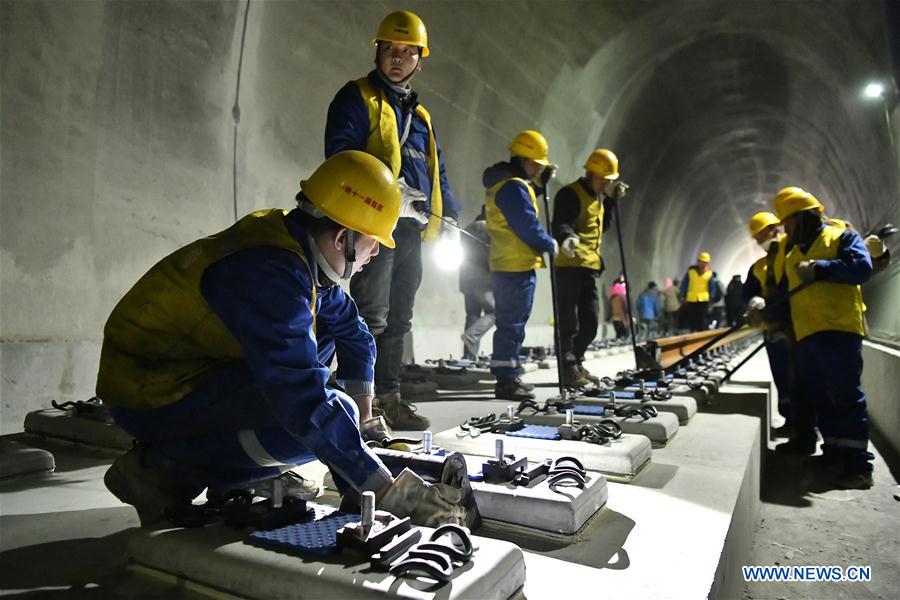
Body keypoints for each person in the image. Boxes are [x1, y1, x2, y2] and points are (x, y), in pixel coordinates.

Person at [98, 151, 467, 526]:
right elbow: (302, 399)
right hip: (149, 390)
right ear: (343, 237)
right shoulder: (272, 272)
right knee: (312, 423)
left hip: (189, 370)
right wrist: (386, 491)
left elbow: (354, 334)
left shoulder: (300, 252)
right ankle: (159, 472)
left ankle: (234, 471)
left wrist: (365, 425)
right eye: (374, 242)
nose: (375, 253)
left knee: (339, 402)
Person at [324, 10, 460, 430]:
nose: (397, 58)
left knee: (399, 318)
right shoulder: (357, 98)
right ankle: (352, 402)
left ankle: (389, 398)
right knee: (370, 316)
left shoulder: (421, 117)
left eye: (407, 51)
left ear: (420, 58)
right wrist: (389, 197)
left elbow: (436, 171)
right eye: (390, 49)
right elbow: (341, 157)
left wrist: (449, 212)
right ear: (378, 52)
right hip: (370, 227)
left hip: (411, 231)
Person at [752, 187, 875, 489]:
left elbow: (861, 267)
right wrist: (764, 311)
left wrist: (822, 269)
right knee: (822, 395)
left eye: (789, 222)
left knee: (845, 395)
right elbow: (783, 295)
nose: (786, 229)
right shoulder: (793, 253)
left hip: (839, 329)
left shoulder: (841, 237)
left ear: (804, 217)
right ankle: (833, 452)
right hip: (807, 334)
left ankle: (858, 465)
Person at [484, 130, 558, 400]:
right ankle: (505, 382)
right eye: (536, 163)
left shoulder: (510, 184)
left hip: (509, 262)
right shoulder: (513, 186)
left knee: (513, 322)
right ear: (523, 159)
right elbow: (525, 223)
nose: (538, 168)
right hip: (514, 264)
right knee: (512, 324)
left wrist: (538, 187)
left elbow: (519, 207)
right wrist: (549, 243)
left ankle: (510, 373)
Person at [551, 149, 626, 387]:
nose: (607, 183)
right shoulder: (570, 194)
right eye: (604, 177)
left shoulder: (597, 198)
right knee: (568, 322)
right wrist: (566, 237)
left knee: (591, 322)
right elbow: (562, 221)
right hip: (569, 265)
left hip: (588, 267)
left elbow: (601, 228)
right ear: (591, 173)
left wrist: (612, 202)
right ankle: (568, 368)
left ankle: (577, 362)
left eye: (609, 179)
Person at [742, 211, 793, 436]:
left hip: (796, 328)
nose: (759, 241)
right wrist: (754, 300)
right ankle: (791, 422)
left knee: (801, 379)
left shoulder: (793, 253)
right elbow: (748, 291)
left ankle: (807, 427)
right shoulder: (759, 266)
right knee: (782, 376)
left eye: (760, 235)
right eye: (757, 238)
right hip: (773, 330)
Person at [458, 206, 494, 360]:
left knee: (472, 314)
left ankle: (469, 356)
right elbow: (492, 254)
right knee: (497, 311)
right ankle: (472, 336)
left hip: (466, 278)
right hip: (483, 278)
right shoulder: (489, 229)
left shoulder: (467, 229)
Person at [680, 252, 716, 331]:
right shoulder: (690, 272)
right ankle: (692, 333)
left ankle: (700, 334)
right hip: (691, 299)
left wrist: (711, 297)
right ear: (698, 262)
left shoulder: (709, 274)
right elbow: (684, 284)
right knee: (692, 318)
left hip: (704, 299)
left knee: (702, 319)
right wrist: (682, 296)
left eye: (706, 263)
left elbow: (712, 287)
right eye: (702, 262)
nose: (704, 264)